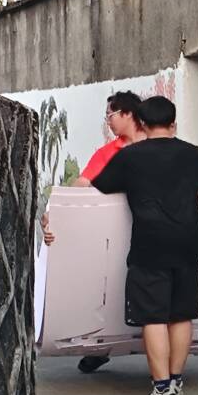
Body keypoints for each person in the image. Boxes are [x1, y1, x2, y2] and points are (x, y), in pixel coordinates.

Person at [91, 96, 198, 395]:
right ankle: (176, 381)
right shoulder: (194, 155)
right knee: (181, 314)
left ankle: (162, 388)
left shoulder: (130, 158)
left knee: (153, 316)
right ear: (173, 123)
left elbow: (98, 191)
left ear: (141, 123)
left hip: (149, 243)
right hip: (191, 242)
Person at [41, 89, 146, 375]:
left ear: (127, 114)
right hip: (110, 235)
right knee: (107, 288)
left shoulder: (156, 148)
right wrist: (57, 212)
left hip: (150, 233)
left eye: (110, 115)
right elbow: (83, 183)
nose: (108, 122)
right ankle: (102, 346)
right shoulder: (107, 153)